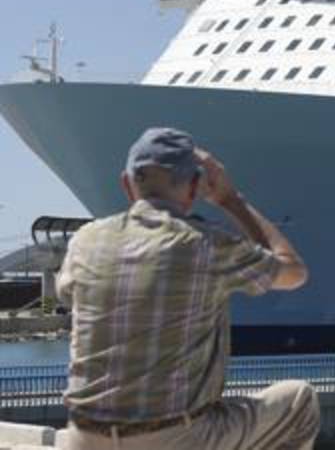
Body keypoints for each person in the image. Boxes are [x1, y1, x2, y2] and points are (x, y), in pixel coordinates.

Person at [56, 127, 319, 449]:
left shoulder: (86, 240)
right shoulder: (205, 244)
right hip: (172, 438)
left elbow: (68, 294)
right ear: (194, 187)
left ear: (126, 184)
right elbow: (294, 273)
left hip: (82, 436)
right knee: (299, 401)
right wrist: (231, 200)